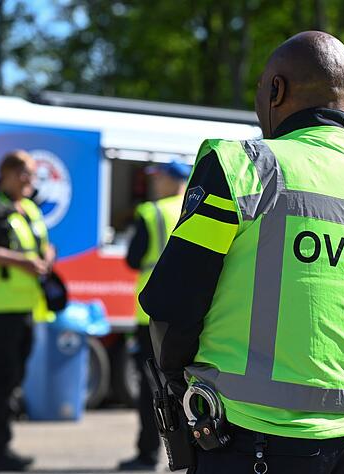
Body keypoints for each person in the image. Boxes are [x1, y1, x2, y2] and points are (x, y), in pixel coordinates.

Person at [140, 31, 344, 474]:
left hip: (245, 441)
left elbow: (170, 308)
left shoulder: (241, 168)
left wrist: (182, 388)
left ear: (275, 90)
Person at [0, 150, 55, 472]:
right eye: (25, 174)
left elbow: (42, 244)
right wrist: (23, 262)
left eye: (32, 175)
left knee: (12, 380)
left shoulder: (30, 208)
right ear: (6, 174)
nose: (30, 180)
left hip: (26, 306)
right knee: (0, 381)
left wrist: (46, 255)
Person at [118, 161, 191, 471]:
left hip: (150, 316)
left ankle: (148, 454)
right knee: (187, 388)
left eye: (158, 177)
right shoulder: (196, 207)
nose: (155, 183)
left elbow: (133, 259)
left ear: (171, 179)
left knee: (154, 390)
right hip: (189, 312)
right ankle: (192, 454)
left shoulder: (152, 213)